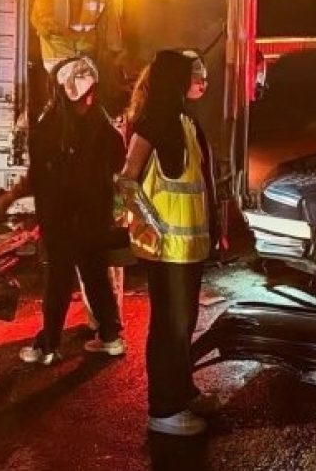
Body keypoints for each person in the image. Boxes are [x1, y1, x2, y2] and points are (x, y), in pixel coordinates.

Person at [0, 56, 126, 364]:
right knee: (95, 276)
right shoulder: (105, 129)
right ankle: (110, 336)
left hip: (60, 220)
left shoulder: (47, 130)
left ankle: (48, 345)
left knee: (58, 281)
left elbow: (39, 178)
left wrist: (8, 199)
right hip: (94, 219)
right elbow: (117, 165)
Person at [121, 49, 217, 436]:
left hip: (187, 250)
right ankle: (164, 410)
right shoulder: (154, 123)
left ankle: (181, 391)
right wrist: (149, 226)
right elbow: (126, 181)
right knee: (169, 328)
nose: (198, 81)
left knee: (182, 326)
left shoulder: (183, 121)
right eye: (189, 75)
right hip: (166, 250)